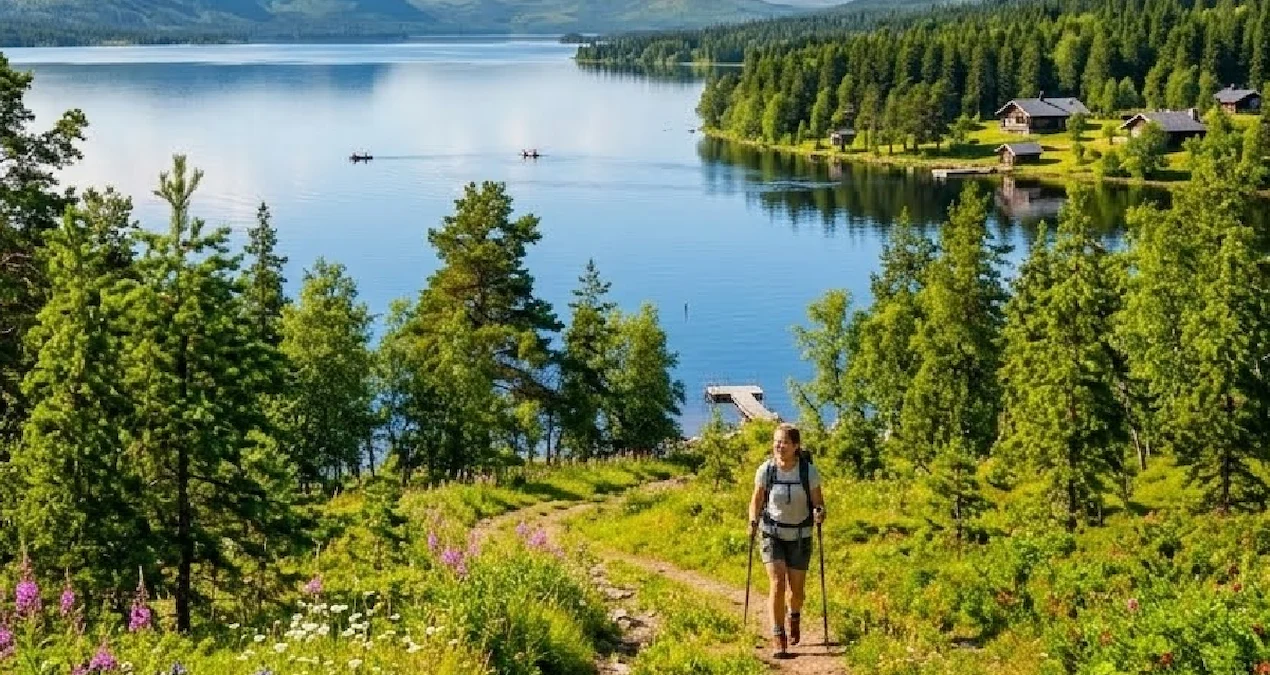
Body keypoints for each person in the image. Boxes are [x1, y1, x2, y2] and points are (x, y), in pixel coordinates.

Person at [748, 423, 825, 658]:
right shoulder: (766, 470)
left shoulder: (808, 471)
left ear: (795, 446)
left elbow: (819, 503)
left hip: (800, 537)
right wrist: (752, 520)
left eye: (783, 442)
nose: (778, 446)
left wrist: (820, 513)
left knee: (797, 591)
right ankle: (778, 636)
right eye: (776, 441)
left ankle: (794, 615)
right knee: (778, 582)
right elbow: (757, 500)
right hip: (772, 533)